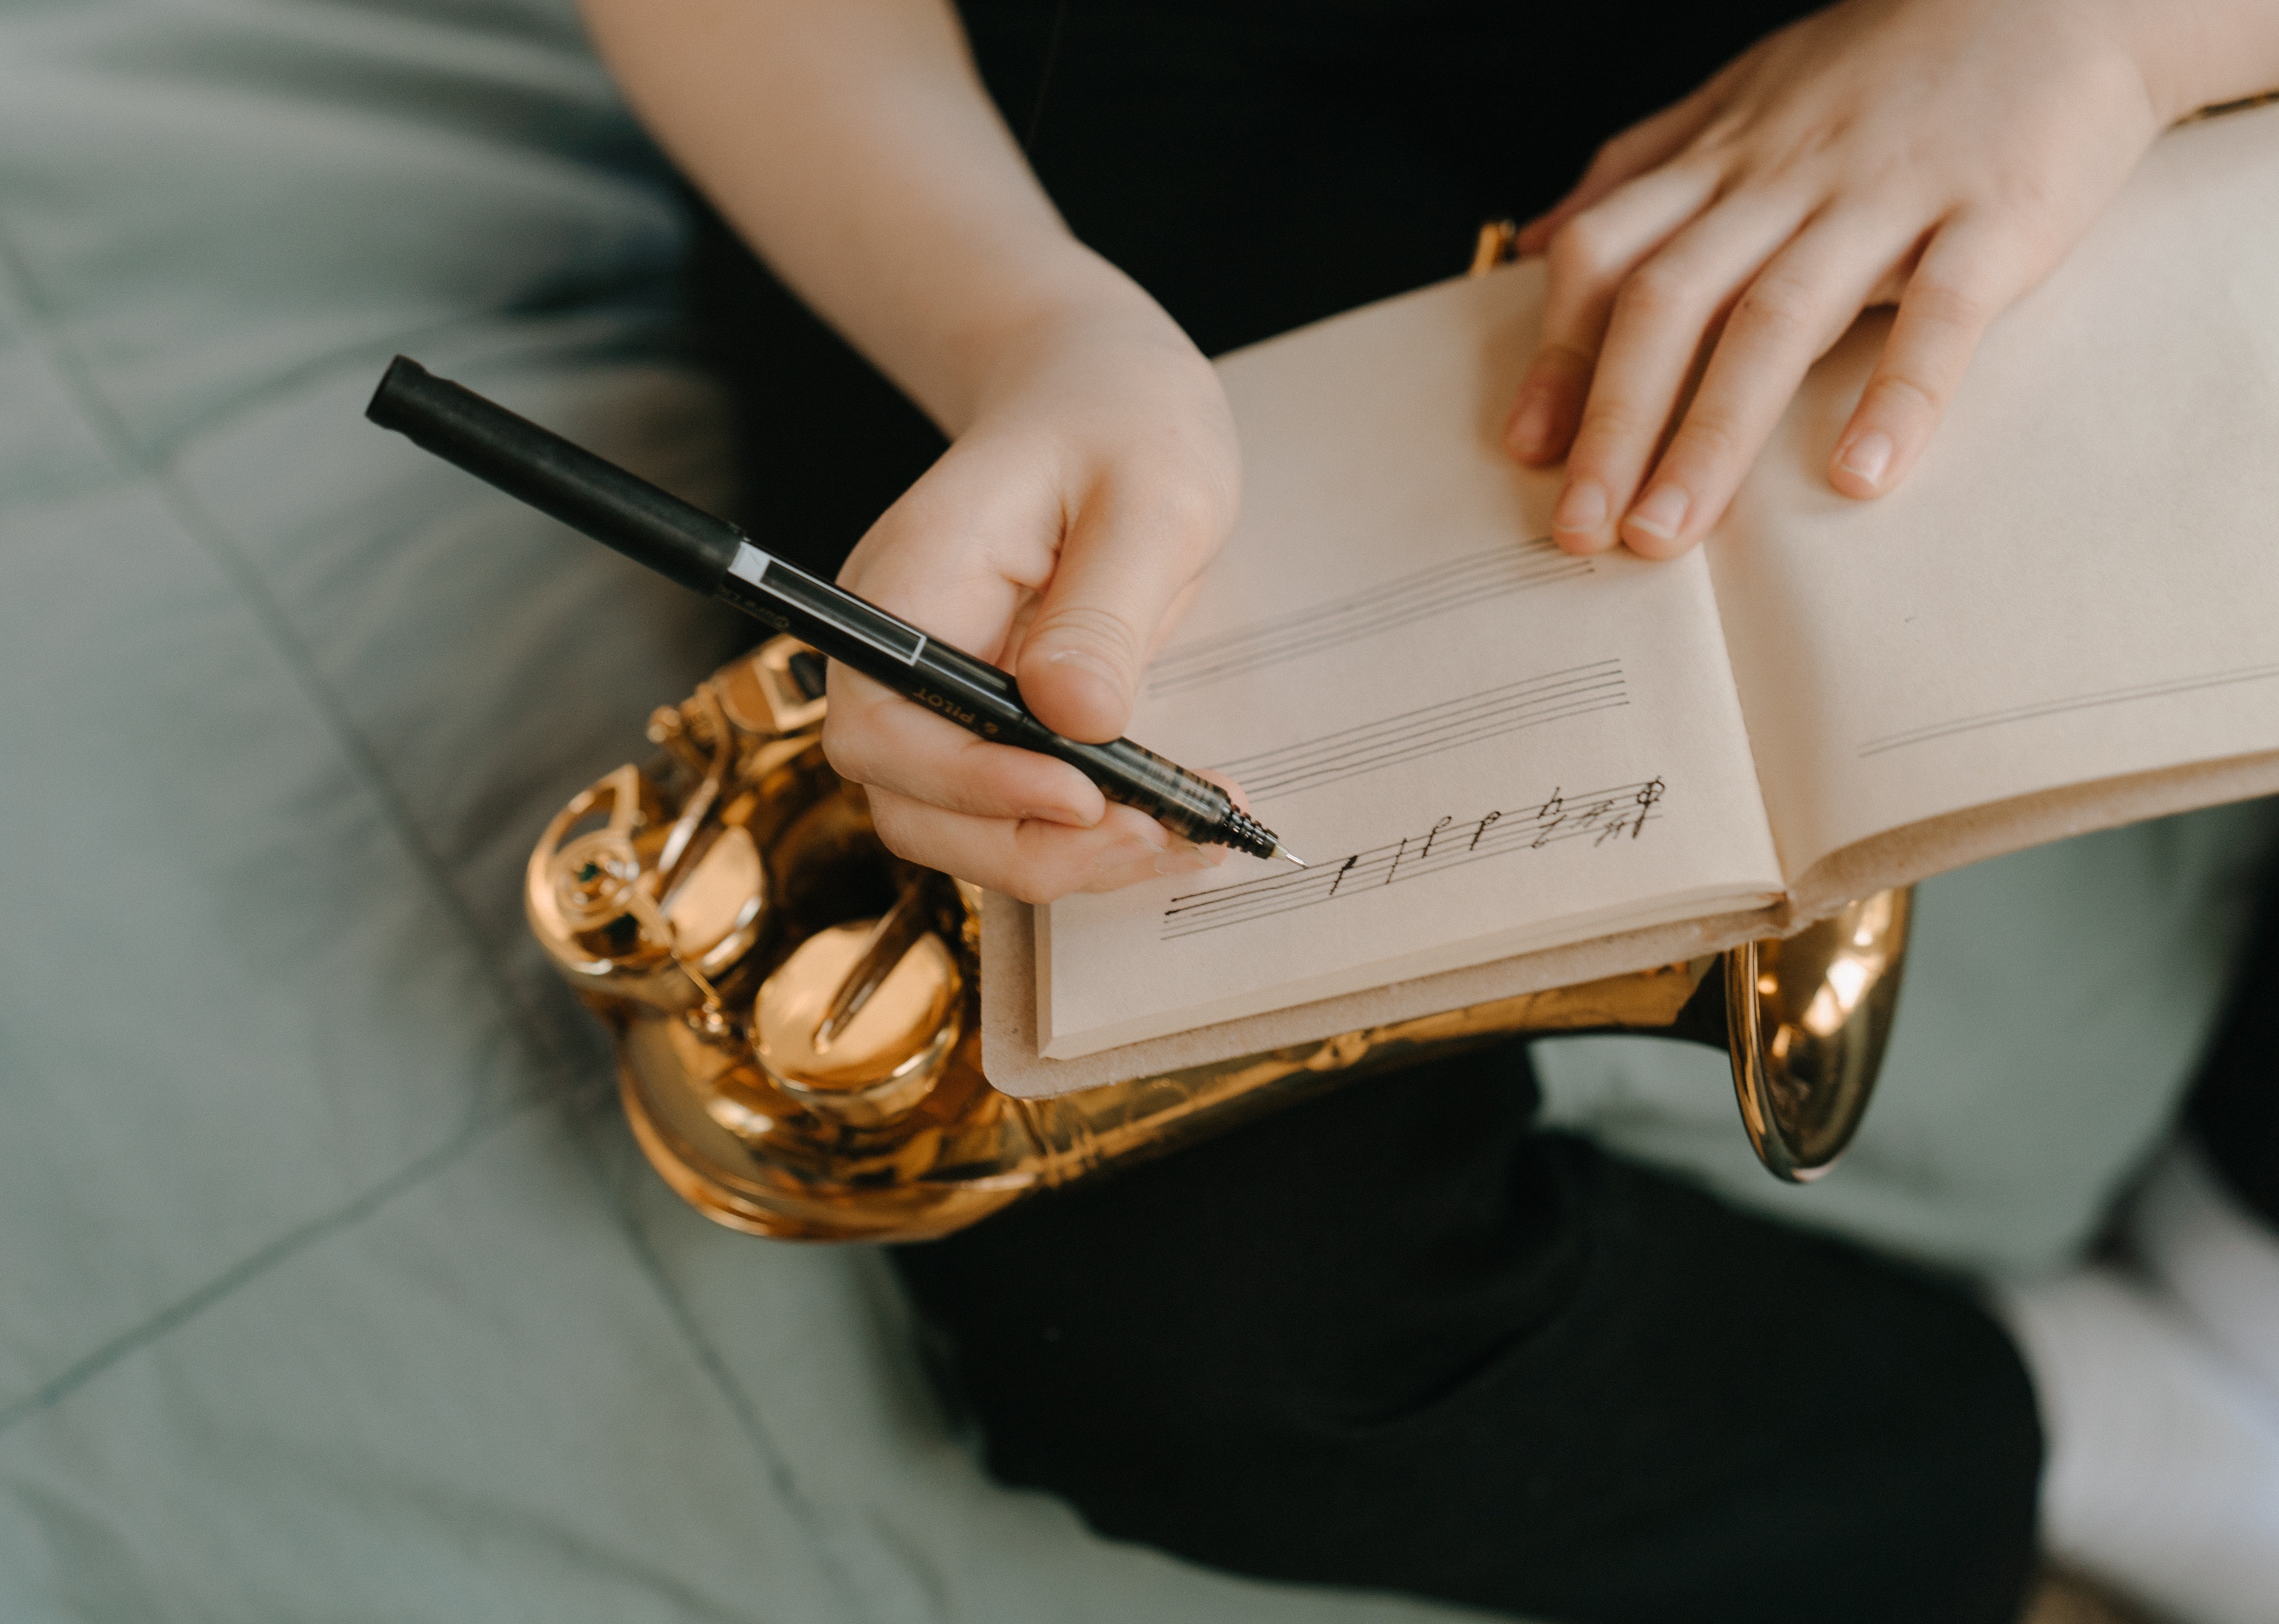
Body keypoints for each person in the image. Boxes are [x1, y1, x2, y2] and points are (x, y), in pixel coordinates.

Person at [577, 4, 2279, 1619]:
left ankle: (2247, 1231)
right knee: (1202, 1332)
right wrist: (1023, 335)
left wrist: (2113, 35)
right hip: (1060, 122)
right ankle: (2082, 1421)